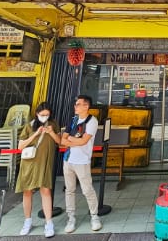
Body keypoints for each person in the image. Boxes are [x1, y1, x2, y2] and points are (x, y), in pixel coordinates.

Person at [16, 102, 61, 238]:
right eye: (42, 115)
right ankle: (27, 221)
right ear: (37, 114)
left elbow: (59, 141)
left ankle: (49, 223)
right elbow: (20, 146)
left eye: (47, 115)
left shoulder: (53, 124)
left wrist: (51, 132)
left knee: (45, 189)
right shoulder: (29, 126)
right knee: (27, 191)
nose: (44, 117)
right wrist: (35, 135)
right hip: (29, 162)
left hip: (45, 161)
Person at [61, 95, 102, 233]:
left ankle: (94, 216)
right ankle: (71, 217)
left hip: (82, 161)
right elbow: (63, 139)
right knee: (69, 190)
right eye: (75, 104)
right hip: (68, 160)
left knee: (87, 190)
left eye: (78, 104)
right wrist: (73, 140)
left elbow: (83, 141)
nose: (75, 106)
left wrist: (70, 140)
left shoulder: (92, 121)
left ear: (86, 106)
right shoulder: (73, 120)